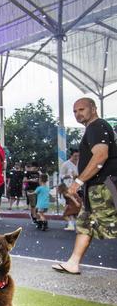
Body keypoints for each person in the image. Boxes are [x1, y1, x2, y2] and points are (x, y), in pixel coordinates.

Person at [52, 98, 117, 275]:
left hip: (104, 186)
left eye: (82, 109)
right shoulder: (93, 128)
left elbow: (101, 155)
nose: (78, 113)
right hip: (96, 187)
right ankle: (73, 263)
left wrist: (78, 181)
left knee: (111, 224)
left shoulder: (97, 126)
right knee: (85, 224)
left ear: (93, 109)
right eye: (74, 111)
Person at [60, 148, 81, 230]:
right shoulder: (66, 164)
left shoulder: (80, 163)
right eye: (75, 156)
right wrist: (71, 176)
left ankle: (72, 223)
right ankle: (71, 223)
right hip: (69, 188)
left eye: (78, 156)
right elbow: (61, 176)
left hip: (79, 187)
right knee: (71, 205)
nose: (77, 157)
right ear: (71, 156)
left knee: (75, 206)